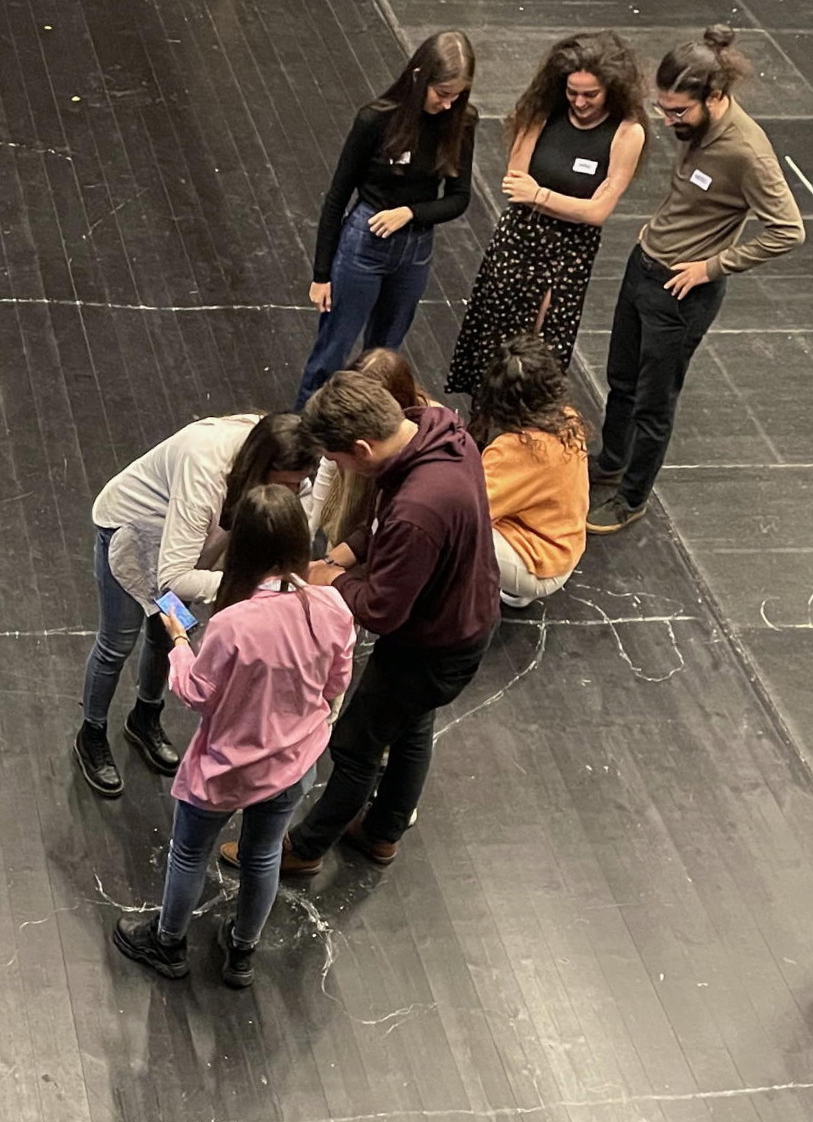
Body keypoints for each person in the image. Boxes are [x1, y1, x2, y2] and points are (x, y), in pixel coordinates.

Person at [112, 487, 355, 988]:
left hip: (226, 769)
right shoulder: (331, 605)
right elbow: (337, 680)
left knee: (188, 853)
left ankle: (168, 943)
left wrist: (180, 641)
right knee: (262, 855)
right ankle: (242, 953)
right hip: (294, 763)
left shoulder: (232, 624)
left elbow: (196, 693)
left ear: (243, 544)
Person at [265, 373, 498, 876]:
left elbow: (380, 610)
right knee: (410, 723)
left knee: (355, 746)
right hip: (459, 620)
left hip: (430, 645)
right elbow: (381, 522)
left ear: (362, 448)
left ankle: (305, 849)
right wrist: (343, 556)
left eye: (338, 459)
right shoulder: (434, 430)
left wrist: (333, 579)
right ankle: (382, 832)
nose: (339, 469)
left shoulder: (419, 509)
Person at [589, 27, 804, 535]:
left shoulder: (747, 151)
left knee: (654, 402)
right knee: (621, 379)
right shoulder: (694, 128)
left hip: (682, 291)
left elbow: (788, 230)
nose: (668, 121)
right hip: (645, 265)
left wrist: (712, 266)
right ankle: (611, 461)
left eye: (679, 112)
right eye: (663, 108)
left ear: (715, 96)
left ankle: (631, 499)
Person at [77, 413, 323, 799]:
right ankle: (91, 733)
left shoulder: (282, 460)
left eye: (300, 483)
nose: (294, 492)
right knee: (117, 643)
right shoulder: (204, 468)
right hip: (134, 535)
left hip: (188, 545)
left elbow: (295, 529)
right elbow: (174, 578)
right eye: (289, 484)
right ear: (262, 468)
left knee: (167, 636)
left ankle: (145, 716)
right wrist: (251, 582)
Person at [445, 33, 648, 396]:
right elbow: (516, 183)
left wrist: (540, 195)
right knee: (494, 339)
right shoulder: (540, 114)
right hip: (518, 240)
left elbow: (597, 212)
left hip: (569, 253)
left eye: (591, 94)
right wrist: (569, 205)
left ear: (612, 90)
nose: (580, 102)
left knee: (544, 347)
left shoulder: (627, 133)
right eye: (573, 92)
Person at [297, 31, 478, 404]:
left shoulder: (461, 122)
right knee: (332, 352)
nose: (448, 104)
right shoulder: (375, 120)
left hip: (416, 251)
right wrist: (321, 274)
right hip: (363, 246)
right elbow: (337, 196)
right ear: (419, 76)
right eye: (442, 93)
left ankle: (368, 430)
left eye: (457, 96)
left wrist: (410, 213)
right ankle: (303, 429)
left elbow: (458, 199)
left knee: (384, 359)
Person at [473, 333, 589, 608]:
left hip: (539, 559)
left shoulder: (516, 450)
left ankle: (460, 605)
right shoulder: (567, 417)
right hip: (565, 545)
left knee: (447, 530)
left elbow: (468, 510)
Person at [312, 348, 439, 553]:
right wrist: (311, 527)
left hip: (376, 545)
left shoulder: (416, 483)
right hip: (350, 535)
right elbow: (329, 464)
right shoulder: (350, 429)